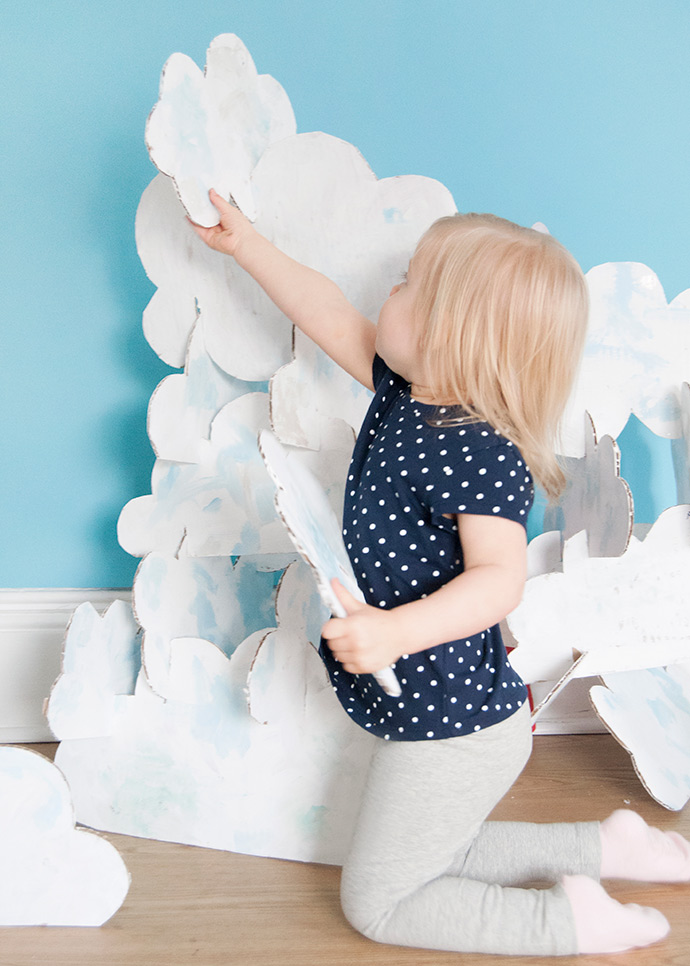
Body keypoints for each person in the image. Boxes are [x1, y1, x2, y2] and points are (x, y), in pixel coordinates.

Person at [192, 190, 689, 956]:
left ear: (454, 332)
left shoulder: (482, 452)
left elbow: (500, 581)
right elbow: (324, 310)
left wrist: (395, 631)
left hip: (458, 726)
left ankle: (568, 923)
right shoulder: (403, 393)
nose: (386, 291)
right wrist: (249, 245)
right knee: (434, 855)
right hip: (435, 706)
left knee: (380, 902)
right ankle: (606, 848)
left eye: (407, 283)